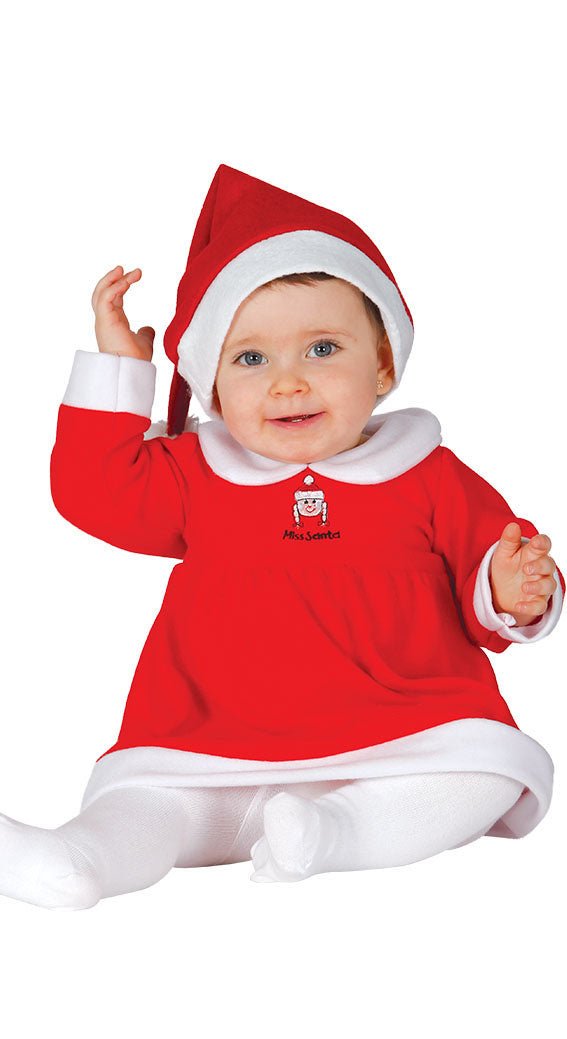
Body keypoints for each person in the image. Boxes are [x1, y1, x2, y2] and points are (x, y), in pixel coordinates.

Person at [0, 164, 563, 910]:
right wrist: (119, 369)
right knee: (150, 804)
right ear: (212, 384)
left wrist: (511, 587)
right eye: (250, 358)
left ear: (383, 363)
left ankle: (331, 833)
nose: (287, 382)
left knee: (485, 772)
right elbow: (93, 492)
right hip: (209, 739)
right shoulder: (198, 473)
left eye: (322, 349)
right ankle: (76, 863)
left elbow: (490, 567)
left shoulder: (428, 473)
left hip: (399, 738)